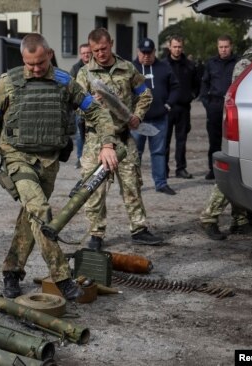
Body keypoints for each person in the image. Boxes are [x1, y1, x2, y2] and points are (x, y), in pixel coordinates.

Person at [0, 33, 119, 300]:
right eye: (31, 65)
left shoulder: (65, 82)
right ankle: (62, 276)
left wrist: (107, 144)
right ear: (23, 59)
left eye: (41, 63)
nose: (36, 69)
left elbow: (97, 113)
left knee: (32, 216)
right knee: (40, 210)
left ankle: (12, 271)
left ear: (49, 54)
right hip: (16, 157)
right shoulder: (9, 83)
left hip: (49, 162)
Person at [76, 28, 164, 249]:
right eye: (95, 50)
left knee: (132, 184)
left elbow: (145, 94)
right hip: (96, 141)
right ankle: (96, 234)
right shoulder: (84, 74)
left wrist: (137, 116)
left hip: (124, 137)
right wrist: (90, 103)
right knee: (94, 189)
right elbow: (76, 108)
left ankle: (139, 228)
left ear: (111, 44)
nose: (100, 53)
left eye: (104, 48)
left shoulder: (127, 68)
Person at [199, 32, 252, 240]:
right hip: (241, 124)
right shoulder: (248, 63)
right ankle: (209, 217)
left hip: (243, 123)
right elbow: (238, 93)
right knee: (235, 174)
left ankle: (239, 221)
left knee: (243, 175)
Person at [132, 38, 180, 195]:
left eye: (149, 53)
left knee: (159, 152)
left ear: (154, 52)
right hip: (137, 121)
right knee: (134, 153)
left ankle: (161, 183)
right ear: (138, 52)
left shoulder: (164, 67)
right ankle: (132, 185)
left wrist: (168, 104)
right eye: (143, 53)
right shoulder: (131, 69)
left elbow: (175, 87)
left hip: (159, 118)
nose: (146, 56)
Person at [200, 35, 237, 180]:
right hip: (214, 106)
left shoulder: (239, 62)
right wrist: (206, 102)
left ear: (231, 46)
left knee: (233, 140)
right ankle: (213, 169)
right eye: (221, 47)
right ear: (217, 47)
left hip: (232, 106)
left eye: (226, 47)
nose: (223, 50)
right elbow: (204, 83)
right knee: (214, 140)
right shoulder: (211, 63)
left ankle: (233, 171)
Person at [166, 35, 200, 179]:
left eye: (179, 47)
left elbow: (197, 84)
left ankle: (181, 168)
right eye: (175, 47)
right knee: (164, 140)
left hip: (184, 108)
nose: (177, 49)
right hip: (167, 109)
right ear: (169, 47)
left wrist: (191, 96)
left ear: (182, 47)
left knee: (182, 140)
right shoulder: (163, 65)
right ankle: (163, 169)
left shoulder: (190, 65)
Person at [69, 43, 91, 169]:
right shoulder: (75, 68)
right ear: (80, 54)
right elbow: (70, 87)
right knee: (80, 135)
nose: (86, 55)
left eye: (88, 52)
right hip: (80, 108)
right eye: (83, 53)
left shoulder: (96, 66)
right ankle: (79, 158)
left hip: (96, 107)